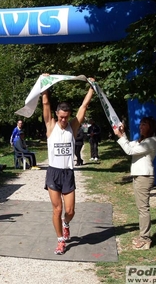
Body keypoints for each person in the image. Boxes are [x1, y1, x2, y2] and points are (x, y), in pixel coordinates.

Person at [41, 74, 95, 255]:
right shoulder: (51, 125)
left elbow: (84, 106)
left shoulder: (73, 126)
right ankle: (60, 240)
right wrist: (45, 83)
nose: (63, 120)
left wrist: (91, 88)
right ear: (57, 115)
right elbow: (46, 104)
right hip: (53, 172)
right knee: (57, 209)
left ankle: (66, 224)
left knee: (70, 210)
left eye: (66, 117)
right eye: (61, 117)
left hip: (68, 173)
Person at [113, 116, 156, 250]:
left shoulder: (151, 141)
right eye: (140, 124)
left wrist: (120, 136)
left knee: (143, 209)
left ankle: (145, 238)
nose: (141, 126)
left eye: (144, 124)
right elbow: (129, 145)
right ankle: (143, 236)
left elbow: (129, 151)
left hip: (144, 177)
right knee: (141, 208)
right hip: (140, 176)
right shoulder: (143, 141)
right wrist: (122, 134)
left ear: (151, 127)